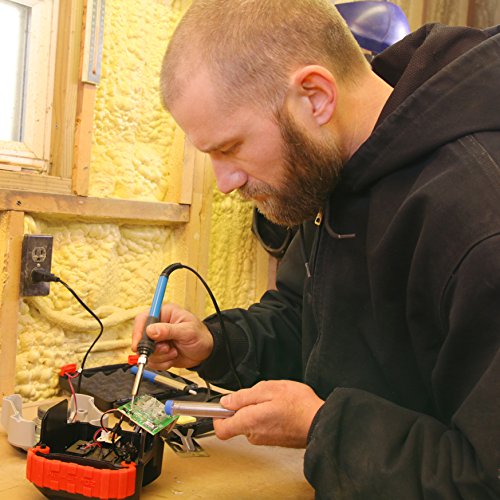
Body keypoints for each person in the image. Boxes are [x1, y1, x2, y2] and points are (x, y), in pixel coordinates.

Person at [132, 0, 500, 497]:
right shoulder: (334, 168)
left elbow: (484, 478)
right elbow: (307, 320)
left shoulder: (480, 218)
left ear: (316, 96)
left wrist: (323, 425)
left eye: (231, 147)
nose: (224, 182)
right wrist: (216, 344)